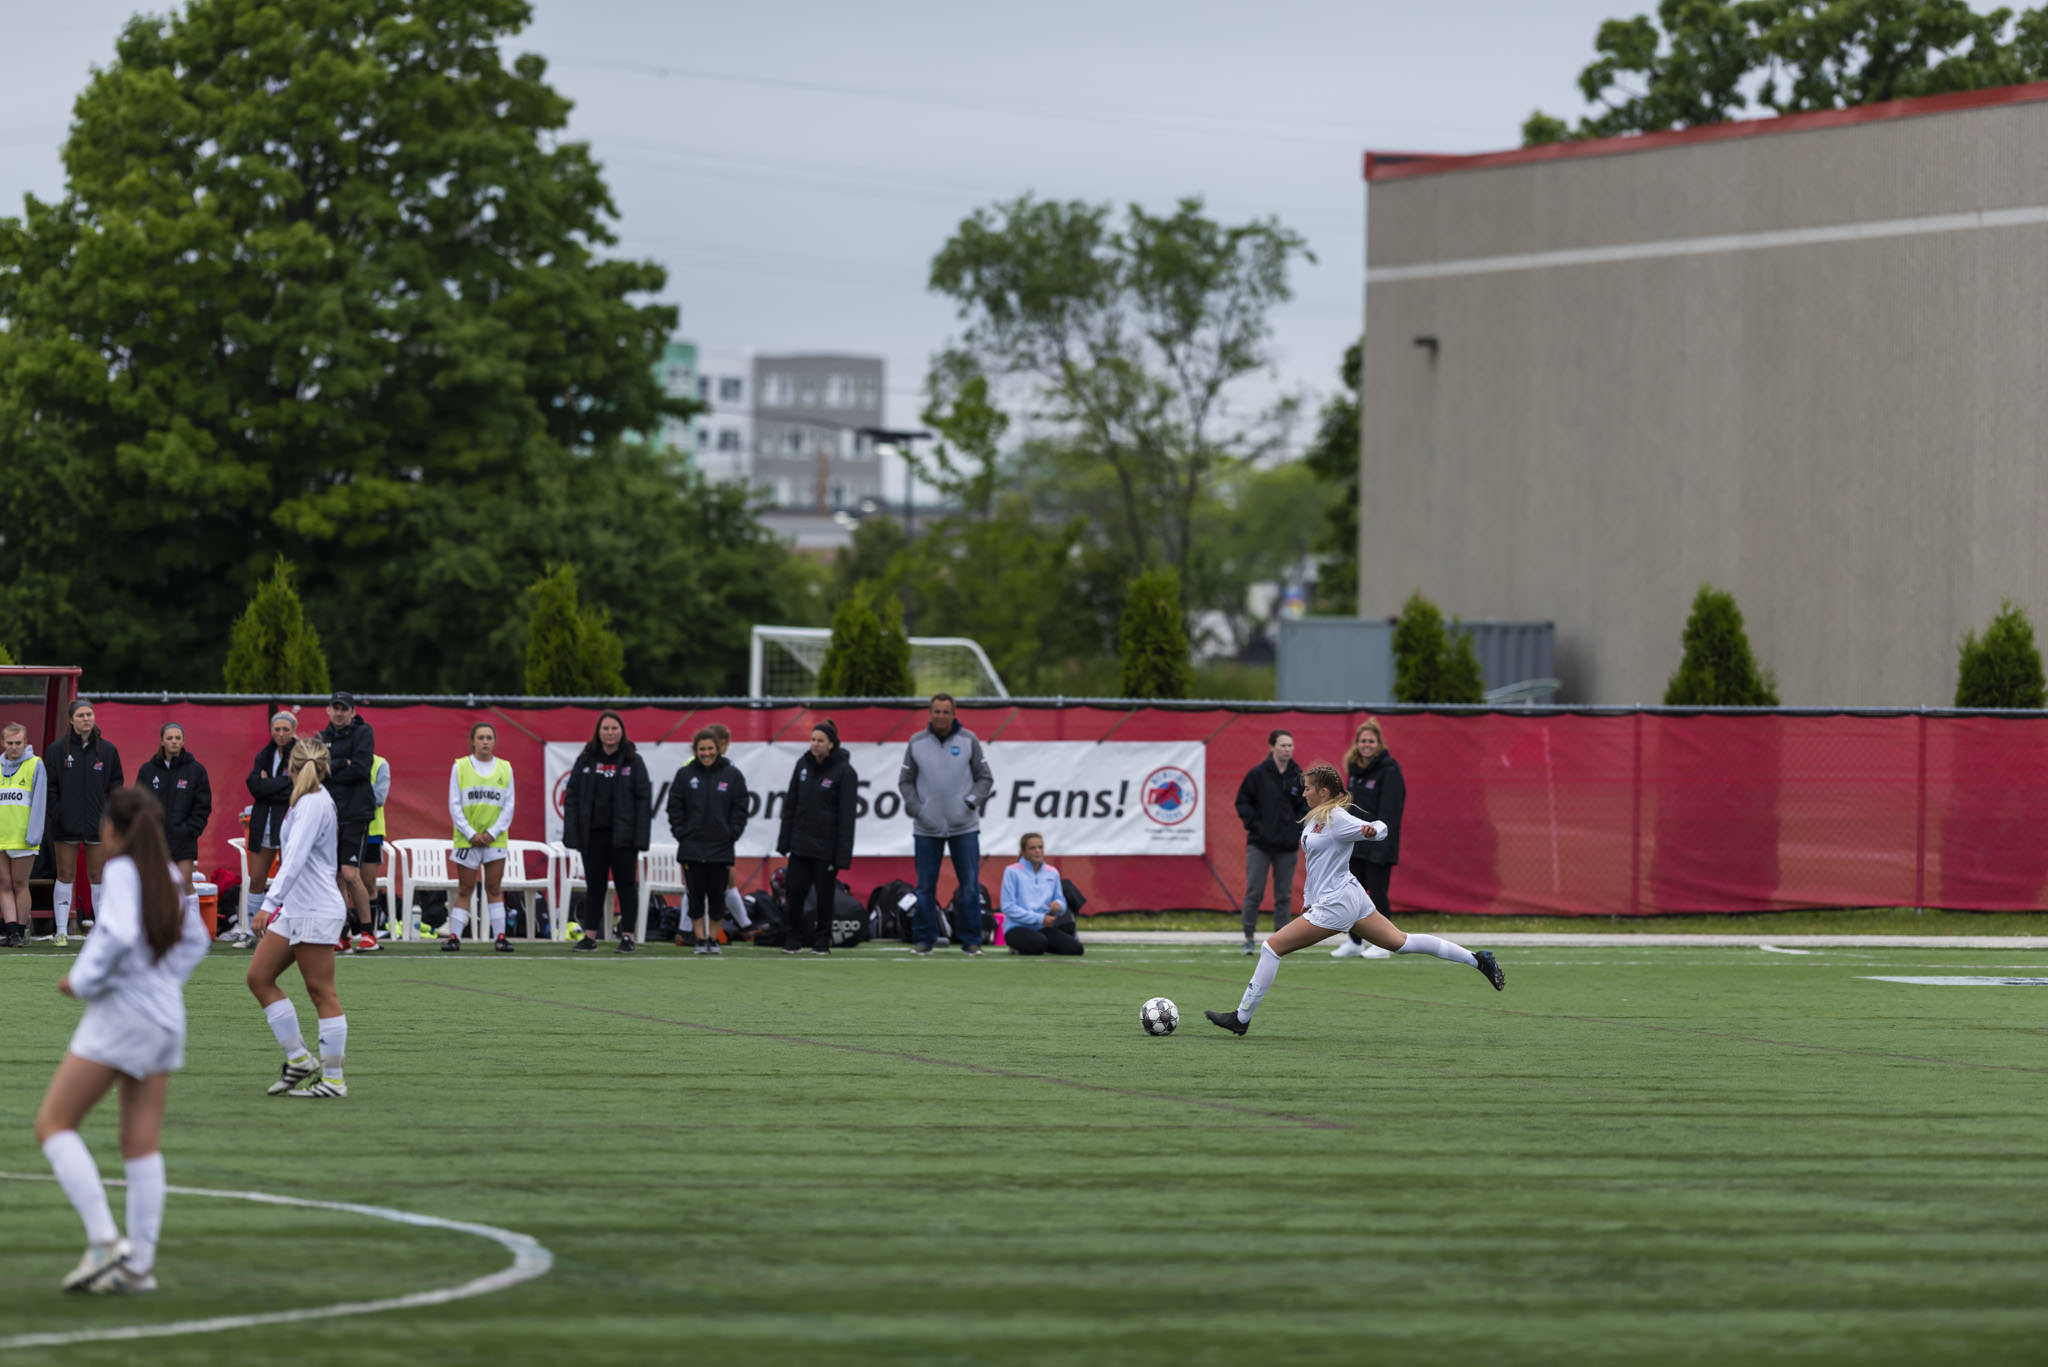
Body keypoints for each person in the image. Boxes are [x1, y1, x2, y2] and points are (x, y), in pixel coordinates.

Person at [34, 787, 209, 1294]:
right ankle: (138, 1267)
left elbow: (115, 934)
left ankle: (105, 1240)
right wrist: (161, 978)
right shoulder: (171, 878)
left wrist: (83, 981)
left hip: (123, 1014)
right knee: (140, 1143)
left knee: (53, 1124)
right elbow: (195, 941)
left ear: (112, 829)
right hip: (164, 1017)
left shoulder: (123, 873)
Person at [1205, 761, 1503, 1037]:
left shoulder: (1337, 817)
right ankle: (1477, 960)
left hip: (1338, 902)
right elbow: (1316, 867)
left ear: (1323, 792)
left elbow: (1382, 828)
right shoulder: (1315, 819)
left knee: (1271, 948)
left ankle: (1241, 1019)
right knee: (1401, 943)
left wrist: (1372, 832)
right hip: (1348, 896)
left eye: (1308, 788)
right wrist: (1309, 899)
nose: (1304, 791)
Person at [246, 737, 351, 1098]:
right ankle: (299, 1059)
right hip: (296, 908)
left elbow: (293, 861)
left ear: (290, 766)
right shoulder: (306, 801)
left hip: (314, 909)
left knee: (321, 992)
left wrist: (266, 903)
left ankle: (334, 1080)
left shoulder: (312, 804)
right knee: (259, 977)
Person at [898, 693, 994, 956]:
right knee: (925, 886)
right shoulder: (916, 743)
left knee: (970, 885)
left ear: (954, 713)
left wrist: (971, 802)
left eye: (945, 712)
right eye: (936, 711)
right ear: (930, 713)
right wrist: (918, 809)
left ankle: (971, 940)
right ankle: (924, 940)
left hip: (964, 826)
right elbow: (905, 781)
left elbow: (984, 778)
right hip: (926, 828)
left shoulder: (968, 740)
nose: (940, 716)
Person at [560, 710, 652, 953]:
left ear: (621, 732)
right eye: (605, 728)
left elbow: (644, 799)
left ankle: (627, 937)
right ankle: (590, 937)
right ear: (598, 732)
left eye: (614, 728)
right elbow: (572, 797)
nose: (610, 733)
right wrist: (573, 834)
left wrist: (640, 838)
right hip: (593, 836)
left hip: (624, 837)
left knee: (626, 887)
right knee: (595, 887)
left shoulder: (633, 760)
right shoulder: (587, 759)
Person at [775, 719, 856, 956]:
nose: (815, 744)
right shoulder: (802, 765)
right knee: (794, 891)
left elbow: (847, 817)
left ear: (831, 744)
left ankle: (822, 940)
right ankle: (793, 938)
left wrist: (841, 856)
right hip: (800, 845)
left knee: (824, 896)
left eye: (820, 741)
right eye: (813, 739)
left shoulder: (845, 772)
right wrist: (785, 842)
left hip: (826, 848)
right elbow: (791, 804)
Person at [666, 727, 748, 956]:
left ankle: (713, 939)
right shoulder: (684, 775)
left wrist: (732, 832)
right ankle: (699, 939)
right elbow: (674, 807)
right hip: (692, 847)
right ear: (696, 750)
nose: (706, 753)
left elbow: (741, 806)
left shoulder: (732, 775)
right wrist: (682, 832)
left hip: (721, 847)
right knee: (695, 894)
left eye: (710, 748)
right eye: (702, 749)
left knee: (717, 896)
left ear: (717, 749)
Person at [49, 699, 123, 948]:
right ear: (71, 720)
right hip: (65, 825)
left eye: (89, 714)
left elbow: (116, 788)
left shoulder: (109, 750)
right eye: (80, 715)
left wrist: (109, 818)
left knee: (97, 875)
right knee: (66, 874)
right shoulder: (57, 750)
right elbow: (50, 788)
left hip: (98, 825)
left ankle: (101, 930)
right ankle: (60, 931)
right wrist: (58, 813)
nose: (86, 719)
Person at [1332, 718, 1407, 960]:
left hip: (1379, 846)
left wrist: (1380, 845)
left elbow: (1390, 812)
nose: (1366, 745)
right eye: (1363, 740)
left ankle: (1384, 944)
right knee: (1351, 893)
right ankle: (1355, 942)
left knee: (1377, 893)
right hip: (1356, 845)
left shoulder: (1390, 770)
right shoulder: (1355, 771)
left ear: (1378, 743)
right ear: (1357, 743)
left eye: (1371, 741)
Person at [315, 691, 380, 953]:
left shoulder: (363, 732)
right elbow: (319, 770)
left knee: (351, 874)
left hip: (356, 812)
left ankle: (368, 933)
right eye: (335, 708)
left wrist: (333, 768)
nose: (339, 712)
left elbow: (361, 769)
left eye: (345, 709)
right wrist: (344, 763)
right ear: (328, 710)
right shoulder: (322, 737)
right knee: (336, 877)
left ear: (352, 712)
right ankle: (342, 935)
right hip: (331, 814)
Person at [1234, 729, 1307, 955]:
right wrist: (1256, 825)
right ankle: (1248, 936)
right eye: (1282, 745)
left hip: (1286, 846)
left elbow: (1305, 806)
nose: (1286, 749)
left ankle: (1281, 940)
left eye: (1290, 746)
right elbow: (1243, 802)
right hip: (1259, 844)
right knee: (1254, 891)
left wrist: (1296, 829)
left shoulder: (1299, 776)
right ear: (1273, 746)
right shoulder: (1258, 774)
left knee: (1283, 894)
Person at [446, 723, 516, 953]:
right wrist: (471, 833)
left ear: (495, 741)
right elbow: (454, 804)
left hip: (493, 839)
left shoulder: (505, 768)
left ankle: (500, 937)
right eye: (481, 738)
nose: (485, 742)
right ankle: (454, 936)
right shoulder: (461, 766)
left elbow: (508, 805)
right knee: (465, 888)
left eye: (489, 738)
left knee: (494, 887)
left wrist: (491, 833)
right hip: (468, 839)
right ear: (473, 741)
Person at [135, 723, 212, 894]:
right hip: (155, 840)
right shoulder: (147, 770)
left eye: (178, 738)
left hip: (183, 841)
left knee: (184, 886)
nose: (174, 742)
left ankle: (189, 921)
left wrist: (189, 830)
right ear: (162, 741)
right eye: (169, 738)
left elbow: (203, 805)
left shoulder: (196, 770)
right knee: (154, 888)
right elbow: (138, 805)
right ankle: (157, 922)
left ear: (183, 741)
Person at [243, 711, 298, 944]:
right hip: (262, 822)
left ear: (293, 730)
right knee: (256, 879)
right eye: (277, 729)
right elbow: (254, 786)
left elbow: (295, 788)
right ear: (271, 731)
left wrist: (269, 785)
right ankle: (252, 931)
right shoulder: (263, 755)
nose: (281, 734)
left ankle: (287, 930)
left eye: (286, 729)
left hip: (287, 822)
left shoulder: (299, 753)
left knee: (289, 878)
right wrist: (278, 784)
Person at [706, 723, 757, 938]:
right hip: (704, 835)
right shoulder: (698, 767)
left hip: (722, 834)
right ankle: (687, 929)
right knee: (698, 884)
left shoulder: (729, 768)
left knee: (727, 878)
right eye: (725, 743)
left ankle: (745, 926)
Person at [0, 722, 47, 947]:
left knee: (20, 883)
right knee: (4, 884)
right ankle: (11, 932)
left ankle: (20, 929)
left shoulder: (35, 764)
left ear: (25, 742)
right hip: (1, 835)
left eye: (18, 743)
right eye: (10, 743)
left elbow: (39, 802)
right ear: (3, 743)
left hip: (23, 837)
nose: (14, 747)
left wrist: (34, 834)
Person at [999, 833, 1083, 956]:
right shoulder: (1012, 871)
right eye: (1032, 848)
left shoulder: (1052, 872)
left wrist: (1059, 906)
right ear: (1023, 851)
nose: (1038, 851)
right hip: (1015, 928)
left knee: (1075, 949)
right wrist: (1040, 918)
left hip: (1042, 928)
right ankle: (1016, 946)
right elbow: (1008, 907)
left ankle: (1034, 944)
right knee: (1038, 943)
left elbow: (1060, 899)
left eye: (1040, 847)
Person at [364, 750, 391, 938]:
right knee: (342, 881)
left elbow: (379, 798)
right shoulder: (341, 760)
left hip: (371, 832)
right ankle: (342, 933)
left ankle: (369, 933)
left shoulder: (380, 764)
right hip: (344, 830)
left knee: (368, 884)